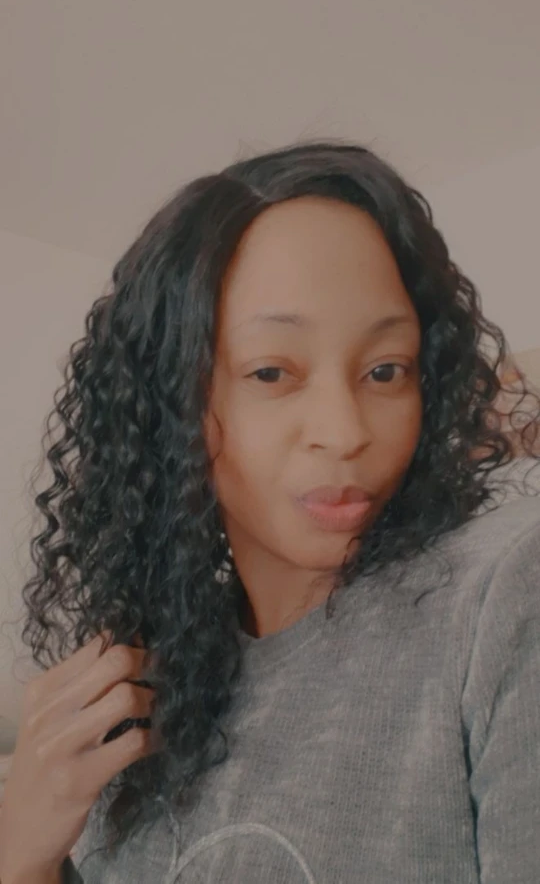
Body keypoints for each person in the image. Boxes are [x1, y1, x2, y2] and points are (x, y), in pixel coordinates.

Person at [1, 141, 539, 884]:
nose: (345, 431)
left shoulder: (505, 591)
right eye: (272, 372)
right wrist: (22, 854)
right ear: (174, 407)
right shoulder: (139, 687)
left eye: (385, 370)